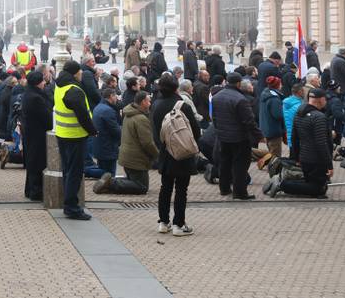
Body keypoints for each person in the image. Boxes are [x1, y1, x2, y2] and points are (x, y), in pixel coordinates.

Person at [152, 73, 201, 236]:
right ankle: (178, 224)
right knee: (181, 189)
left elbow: (154, 131)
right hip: (183, 152)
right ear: (176, 88)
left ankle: (163, 222)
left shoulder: (156, 105)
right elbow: (195, 131)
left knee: (165, 188)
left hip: (165, 152)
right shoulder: (182, 105)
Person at [266, 89, 332, 198]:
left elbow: (294, 138)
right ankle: (282, 184)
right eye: (325, 99)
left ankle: (282, 181)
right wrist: (329, 164)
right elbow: (321, 143)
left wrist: (297, 158)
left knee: (312, 182)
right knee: (319, 190)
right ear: (320, 100)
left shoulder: (299, 113)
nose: (326, 102)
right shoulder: (319, 117)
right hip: (317, 159)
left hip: (304, 157)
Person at [54, 60, 97, 220]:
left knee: (68, 170)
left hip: (62, 133)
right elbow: (83, 115)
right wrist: (92, 130)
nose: (82, 73)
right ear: (75, 73)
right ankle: (71, 207)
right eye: (80, 71)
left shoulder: (59, 85)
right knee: (75, 173)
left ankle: (69, 204)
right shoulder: (74, 90)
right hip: (75, 136)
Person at [211, 73, 264, 200]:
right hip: (239, 138)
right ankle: (240, 192)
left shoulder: (216, 97)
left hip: (223, 137)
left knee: (225, 163)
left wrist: (219, 131)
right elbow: (249, 121)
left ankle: (224, 189)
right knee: (240, 165)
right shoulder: (241, 99)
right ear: (239, 83)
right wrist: (259, 136)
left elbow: (214, 118)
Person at [94, 91, 158, 195]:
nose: (150, 104)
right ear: (143, 102)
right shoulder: (141, 118)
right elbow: (147, 143)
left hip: (127, 157)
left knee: (132, 180)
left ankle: (108, 184)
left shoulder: (128, 114)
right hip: (136, 159)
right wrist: (156, 154)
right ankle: (111, 183)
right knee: (142, 187)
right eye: (149, 101)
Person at [21, 70, 51, 200]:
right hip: (37, 134)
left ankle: (30, 189)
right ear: (37, 83)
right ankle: (36, 191)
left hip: (31, 133)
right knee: (37, 162)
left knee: (32, 161)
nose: (44, 83)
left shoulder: (29, 94)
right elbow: (46, 117)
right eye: (42, 80)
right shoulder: (36, 98)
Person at [91, 88, 121, 177]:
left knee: (103, 172)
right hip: (108, 147)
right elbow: (115, 130)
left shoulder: (98, 107)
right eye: (115, 96)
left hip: (100, 146)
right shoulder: (108, 110)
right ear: (111, 96)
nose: (117, 98)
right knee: (109, 174)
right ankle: (85, 171)